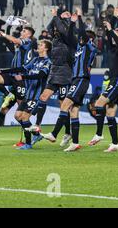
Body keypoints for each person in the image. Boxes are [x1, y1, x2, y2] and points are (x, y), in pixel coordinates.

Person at [41, 9, 97, 151]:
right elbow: (70, 34)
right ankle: (75, 142)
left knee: (65, 105)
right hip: (76, 79)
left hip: (81, 79)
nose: (81, 38)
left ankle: (54, 134)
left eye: (85, 37)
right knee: (73, 111)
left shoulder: (90, 47)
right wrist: (71, 24)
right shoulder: (78, 47)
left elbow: (81, 33)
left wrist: (78, 18)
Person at [0, 40, 52, 150]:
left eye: (41, 45)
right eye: (39, 44)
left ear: (46, 49)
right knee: (17, 116)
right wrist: (4, 71)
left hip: (36, 95)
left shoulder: (48, 62)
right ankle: (37, 135)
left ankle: (28, 144)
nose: (38, 46)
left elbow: (41, 75)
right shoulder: (35, 60)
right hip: (28, 94)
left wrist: (23, 77)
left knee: (24, 117)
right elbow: (22, 69)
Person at [0, 26, 36, 143]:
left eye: (24, 31)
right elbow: (12, 43)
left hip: (21, 81)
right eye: (22, 31)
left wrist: (5, 35)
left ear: (29, 35)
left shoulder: (28, 42)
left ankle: (32, 136)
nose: (22, 32)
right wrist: (3, 34)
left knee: (20, 114)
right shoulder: (20, 48)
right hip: (12, 78)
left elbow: (15, 41)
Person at [29, 8, 74, 143]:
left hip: (65, 73)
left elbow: (61, 28)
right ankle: (38, 125)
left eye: (67, 13)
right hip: (54, 72)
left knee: (63, 105)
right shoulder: (55, 38)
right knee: (43, 97)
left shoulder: (69, 36)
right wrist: (55, 18)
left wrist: (57, 16)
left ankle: (67, 132)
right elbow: (50, 28)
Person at [88, 15, 118, 152]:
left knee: (99, 104)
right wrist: (107, 26)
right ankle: (115, 143)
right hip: (114, 81)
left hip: (117, 81)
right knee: (110, 114)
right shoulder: (113, 49)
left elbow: (117, 40)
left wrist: (111, 29)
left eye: (116, 34)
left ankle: (99, 134)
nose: (113, 37)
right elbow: (111, 39)